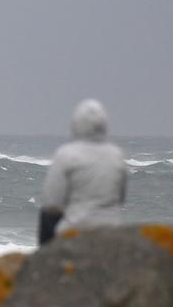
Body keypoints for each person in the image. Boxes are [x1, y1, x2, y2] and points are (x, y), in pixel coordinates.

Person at [39, 99, 128, 245]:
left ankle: (44, 259)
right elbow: (121, 198)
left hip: (76, 229)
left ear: (76, 124)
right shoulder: (117, 155)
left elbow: (52, 203)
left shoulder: (66, 154)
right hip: (111, 230)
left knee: (46, 214)